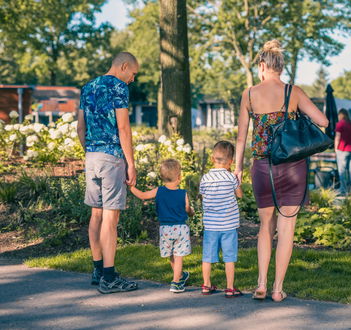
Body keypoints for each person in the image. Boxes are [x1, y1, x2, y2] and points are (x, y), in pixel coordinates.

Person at [234, 40, 328, 302]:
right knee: (287, 229)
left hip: (262, 167)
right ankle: (277, 289)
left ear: (262, 66)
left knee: (265, 226)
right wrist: (295, 116)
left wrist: (237, 170)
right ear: (281, 66)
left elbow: (241, 138)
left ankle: (261, 284)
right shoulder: (293, 92)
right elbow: (323, 121)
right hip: (293, 168)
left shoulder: (249, 94)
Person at [77, 52, 139, 294]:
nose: (133, 79)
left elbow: (80, 127)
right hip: (112, 157)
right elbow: (123, 128)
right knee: (111, 219)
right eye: (133, 73)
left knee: (96, 215)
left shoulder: (88, 87)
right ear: (123, 67)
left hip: (91, 156)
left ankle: (97, 270)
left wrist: (91, 150)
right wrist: (131, 163)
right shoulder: (119, 87)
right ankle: (110, 277)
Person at [130, 159, 194, 293]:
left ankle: (180, 276)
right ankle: (176, 283)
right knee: (179, 256)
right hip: (180, 229)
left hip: (165, 229)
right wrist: (191, 212)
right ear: (179, 177)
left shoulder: (158, 191)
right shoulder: (183, 193)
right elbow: (188, 209)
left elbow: (142, 195)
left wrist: (131, 186)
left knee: (171, 254)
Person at [199, 141, 243, 298]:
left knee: (207, 256)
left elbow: (203, 196)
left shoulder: (205, 178)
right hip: (228, 226)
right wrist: (239, 181)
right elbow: (239, 195)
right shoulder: (231, 177)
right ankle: (230, 287)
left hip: (211, 225)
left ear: (212, 159)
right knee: (229, 257)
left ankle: (206, 284)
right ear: (230, 161)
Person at [335, 109, 351, 195]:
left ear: (340, 115)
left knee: (342, 170)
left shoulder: (340, 124)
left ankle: (343, 190)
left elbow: (338, 137)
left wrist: (336, 149)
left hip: (342, 150)